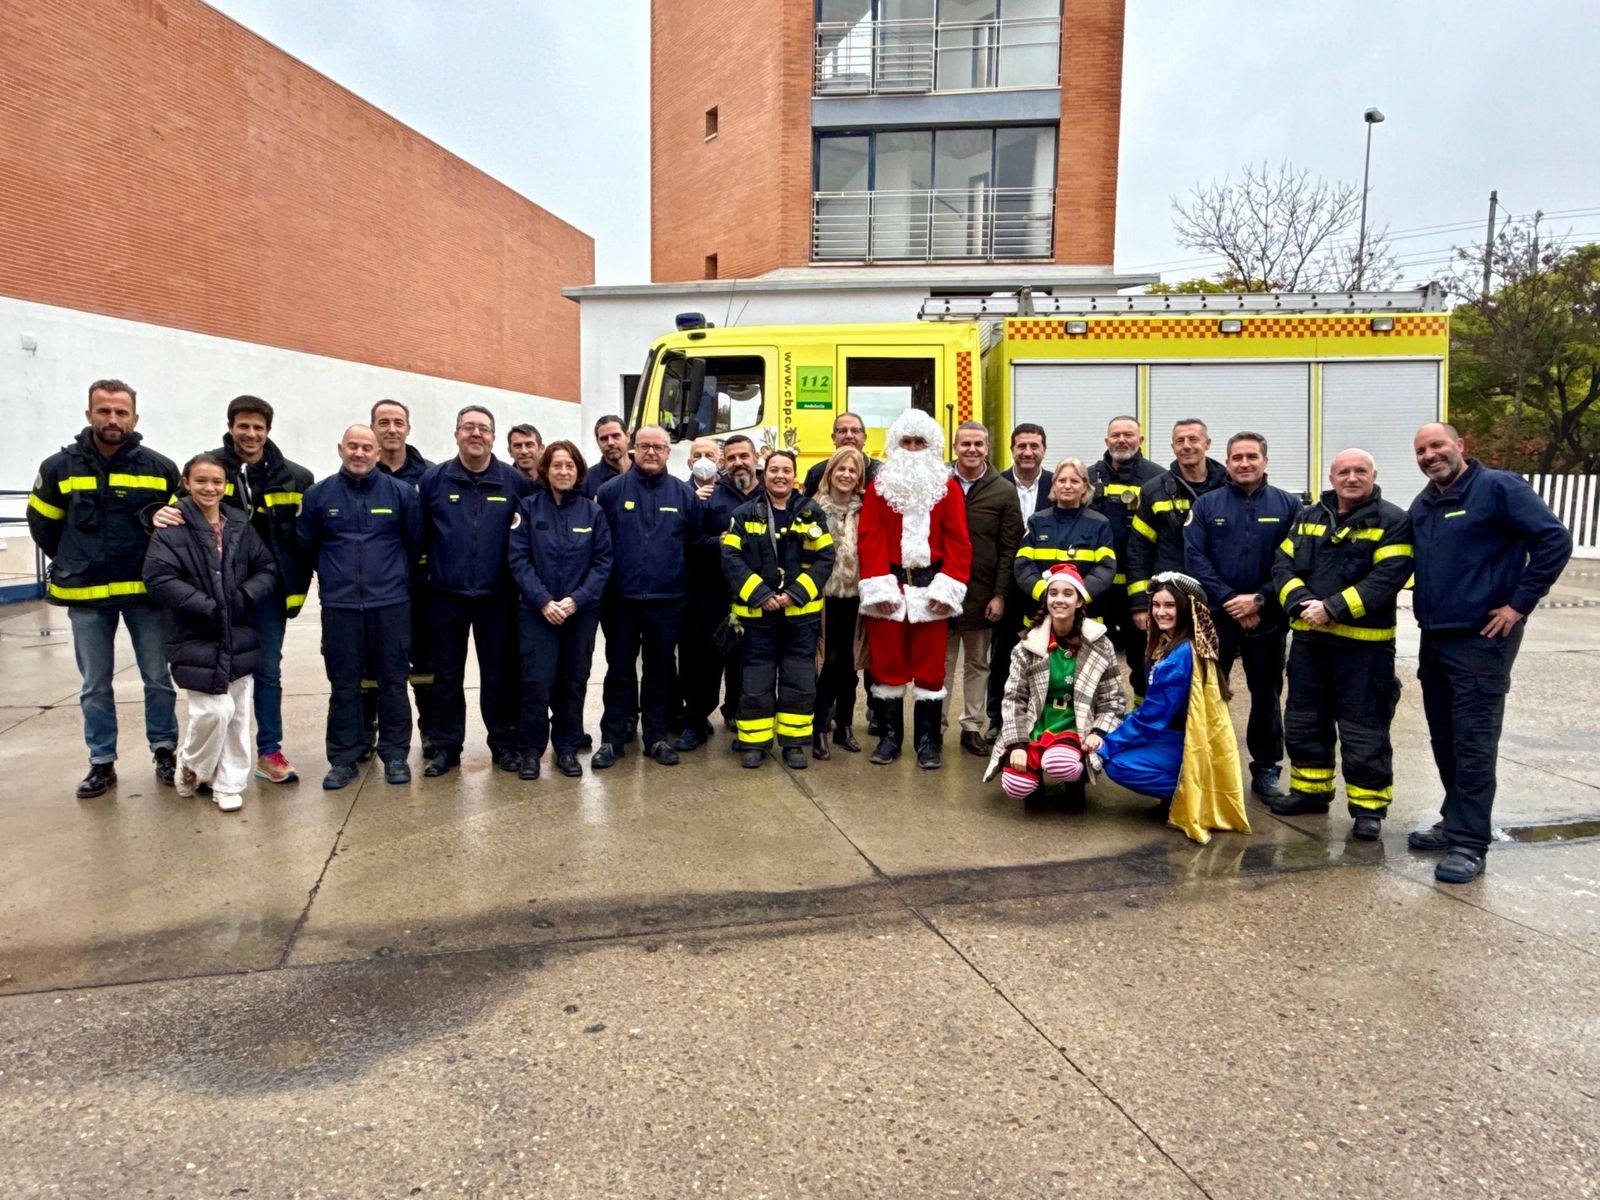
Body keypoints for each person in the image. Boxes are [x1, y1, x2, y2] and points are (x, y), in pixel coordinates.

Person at [1406, 422, 1572, 883]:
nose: (1430, 455)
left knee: (1474, 739)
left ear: (1460, 445)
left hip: (1483, 639)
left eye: (1437, 445)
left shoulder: (1499, 487)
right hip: (1436, 636)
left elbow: (1554, 540)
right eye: (1421, 450)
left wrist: (1520, 603)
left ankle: (1470, 843)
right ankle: (1454, 819)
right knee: (1444, 735)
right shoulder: (1425, 503)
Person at [28, 379, 181, 799]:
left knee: (157, 678)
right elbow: (43, 525)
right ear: (89, 414)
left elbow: (176, 529)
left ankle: (165, 751)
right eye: (104, 411)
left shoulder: (160, 468)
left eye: (121, 412)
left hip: (144, 593)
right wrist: (74, 559)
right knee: (95, 684)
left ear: (134, 417)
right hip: (87, 594)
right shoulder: (58, 468)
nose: (112, 419)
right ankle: (101, 762)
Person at [151, 394, 314, 785]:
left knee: (268, 673)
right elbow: (174, 518)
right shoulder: (208, 469)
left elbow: (306, 538)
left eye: (258, 427)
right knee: (218, 678)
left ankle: (269, 751)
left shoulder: (295, 477)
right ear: (230, 427)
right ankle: (214, 759)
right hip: (213, 599)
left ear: (268, 431)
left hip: (266, 595)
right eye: (243, 425)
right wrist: (152, 514)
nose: (251, 434)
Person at [1271, 449, 1414, 839]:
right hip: (1310, 645)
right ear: (1331, 477)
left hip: (1364, 652)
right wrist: (1302, 604)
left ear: (1373, 475)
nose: (1352, 478)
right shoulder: (1309, 517)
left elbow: (1388, 577)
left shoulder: (1394, 521)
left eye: (1360, 471)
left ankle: (1368, 808)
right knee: (1304, 722)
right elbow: (1282, 565)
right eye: (1344, 472)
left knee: (1363, 731)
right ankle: (1310, 792)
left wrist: (1332, 609)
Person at [142, 453, 278, 812]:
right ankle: (192, 763)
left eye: (217, 481)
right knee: (212, 711)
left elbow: (265, 566)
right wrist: (205, 605)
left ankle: (229, 783)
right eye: (201, 480)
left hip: (238, 629)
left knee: (236, 715)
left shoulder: (238, 523)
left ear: (226, 485)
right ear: (187, 482)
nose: (209, 488)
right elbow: (158, 578)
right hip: (195, 632)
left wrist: (243, 596)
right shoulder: (172, 526)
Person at [297, 425, 423, 790]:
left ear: (378, 454)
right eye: (353, 446)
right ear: (340, 449)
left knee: (394, 683)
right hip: (341, 607)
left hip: (391, 605)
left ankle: (396, 754)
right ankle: (343, 758)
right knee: (344, 685)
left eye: (367, 447)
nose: (359, 453)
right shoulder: (319, 495)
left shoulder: (400, 494)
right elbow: (307, 544)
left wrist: (390, 579)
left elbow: (414, 543)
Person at [1183, 432, 1301, 800]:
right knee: (1208, 693)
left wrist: (1260, 599)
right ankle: (1207, 765)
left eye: (1252, 456)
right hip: (1217, 615)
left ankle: (1266, 768)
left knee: (1266, 694)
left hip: (1267, 618)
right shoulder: (1206, 505)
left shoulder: (1289, 506)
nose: (1244, 463)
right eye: (1237, 457)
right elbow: (1194, 558)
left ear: (1265, 461)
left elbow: (1294, 561)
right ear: (1228, 462)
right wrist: (1231, 599)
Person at [415, 406, 531, 777]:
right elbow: (420, 537)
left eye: (483, 428)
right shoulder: (433, 481)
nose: (476, 434)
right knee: (446, 676)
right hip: (445, 596)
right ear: (456, 434)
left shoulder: (514, 482)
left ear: (494, 438)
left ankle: (503, 744)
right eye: (469, 427)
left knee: (499, 675)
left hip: (497, 597)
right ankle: (447, 746)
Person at [856, 409, 972, 769]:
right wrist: (879, 589)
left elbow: (959, 541)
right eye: (905, 442)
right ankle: (890, 738)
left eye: (919, 442)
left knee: (930, 671)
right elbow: (869, 537)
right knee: (887, 668)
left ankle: (928, 742)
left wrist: (947, 588)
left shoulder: (948, 488)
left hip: (932, 591)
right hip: (889, 589)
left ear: (931, 446)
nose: (911, 448)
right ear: (896, 445)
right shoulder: (880, 487)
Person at [1099, 573, 1250, 845]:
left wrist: (1106, 745)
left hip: (1182, 739)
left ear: (1185, 608)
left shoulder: (1180, 655)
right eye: (1156, 605)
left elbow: (1152, 718)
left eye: (1169, 605)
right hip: (1178, 734)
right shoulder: (1175, 644)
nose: (1160, 612)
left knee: (1117, 764)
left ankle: (1195, 794)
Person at [592, 424, 703, 768]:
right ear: (632, 449)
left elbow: (694, 545)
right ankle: (612, 739)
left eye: (659, 447)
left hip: (667, 602)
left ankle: (656, 738)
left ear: (669, 452)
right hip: (620, 602)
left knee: (658, 673)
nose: (651, 452)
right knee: (620, 671)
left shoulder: (683, 496)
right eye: (644, 446)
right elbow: (600, 547)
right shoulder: (610, 492)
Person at [723, 450, 834, 769]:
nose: (780, 475)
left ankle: (794, 744)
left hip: (800, 618)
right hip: (758, 616)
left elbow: (825, 558)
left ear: (794, 476)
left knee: (799, 681)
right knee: (755, 680)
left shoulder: (812, 513)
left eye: (786, 470)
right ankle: (754, 743)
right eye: (774, 470)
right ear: (764, 473)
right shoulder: (744, 514)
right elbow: (731, 559)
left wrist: (795, 594)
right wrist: (760, 594)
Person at [983, 564, 1126, 812]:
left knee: (1061, 763)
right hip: (1036, 723)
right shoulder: (1027, 646)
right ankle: (1034, 780)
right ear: (1046, 599)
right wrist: (1017, 745)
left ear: (1080, 601)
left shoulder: (1099, 644)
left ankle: (1075, 784)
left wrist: (1099, 733)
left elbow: (1113, 700)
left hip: (1075, 723)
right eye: (1054, 593)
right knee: (1015, 784)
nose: (1059, 599)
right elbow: (1013, 699)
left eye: (1068, 594)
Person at [508, 441, 612, 779]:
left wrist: (576, 600)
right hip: (538, 613)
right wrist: (543, 601)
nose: (563, 472)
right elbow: (518, 560)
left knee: (573, 681)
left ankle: (566, 748)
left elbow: (603, 562)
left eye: (570, 466)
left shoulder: (592, 512)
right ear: (546, 471)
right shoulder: (527, 507)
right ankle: (531, 751)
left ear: (579, 471)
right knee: (535, 682)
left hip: (579, 613)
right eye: (557, 466)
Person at [673, 433, 760, 750]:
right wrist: (718, 542)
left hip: (754, 595)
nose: (739, 462)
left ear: (755, 459)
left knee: (746, 662)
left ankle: (738, 716)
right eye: (732, 457)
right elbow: (691, 543)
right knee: (705, 663)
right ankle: (696, 722)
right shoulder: (709, 497)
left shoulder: (769, 494)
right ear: (724, 463)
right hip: (712, 594)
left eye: (744, 456)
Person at [945, 422, 1024, 757]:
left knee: (978, 663)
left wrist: (1000, 594)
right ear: (954, 447)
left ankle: (972, 727)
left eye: (978, 444)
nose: (972, 450)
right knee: (941, 663)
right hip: (942, 591)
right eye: (966, 444)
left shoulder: (1003, 490)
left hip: (982, 593)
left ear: (988, 448)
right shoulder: (940, 482)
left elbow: (1010, 548)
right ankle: (933, 725)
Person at [371, 398, 438, 755]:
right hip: (375, 588)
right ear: (373, 429)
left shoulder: (428, 476)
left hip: (420, 586)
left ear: (408, 429)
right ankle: (368, 730)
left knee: (425, 663)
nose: (391, 429)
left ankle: (430, 730)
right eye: (383, 422)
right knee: (371, 666)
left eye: (398, 422)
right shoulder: (360, 473)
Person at [1088, 415, 1164, 697]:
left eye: (1128, 435)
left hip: (1139, 588)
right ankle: (1097, 716)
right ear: (1107, 440)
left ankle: (1144, 713)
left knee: (1144, 657)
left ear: (1140, 440)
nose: (1122, 440)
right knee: (1092, 658)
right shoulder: (1088, 476)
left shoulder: (1157, 479)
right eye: (1116, 435)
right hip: (1097, 589)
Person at [1126, 418, 1228, 628]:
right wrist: (1139, 603)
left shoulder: (1228, 487)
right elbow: (1139, 549)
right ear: (1173, 447)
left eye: (1193, 439)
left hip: (1221, 596)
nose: (1187, 446)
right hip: (1172, 597)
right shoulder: (1154, 490)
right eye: (1180, 441)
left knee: (1215, 659)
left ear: (1207, 443)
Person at [986, 423, 1051, 741]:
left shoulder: (1057, 484)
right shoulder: (995, 484)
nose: (1028, 452)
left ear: (1043, 450)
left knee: (1046, 656)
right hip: (1007, 587)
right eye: (1021, 446)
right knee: (1002, 657)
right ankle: (997, 720)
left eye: (1034, 446)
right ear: (1011, 449)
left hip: (1046, 589)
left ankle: (1043, 719)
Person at [812, 446, 867, 759]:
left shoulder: (865, 509)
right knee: (826, 662)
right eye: (840, 469)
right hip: (823, 598)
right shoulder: (813, 508)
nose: (846, 475)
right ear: (830, 473)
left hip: (857, 598)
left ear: (858, 477)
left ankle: (845, 725)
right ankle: (820, 725)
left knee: (850, 663)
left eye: (852, 471)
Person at [1014, 458, 1117, 620]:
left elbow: (1105, 569)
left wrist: (1077, 594)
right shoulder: (1037, 521)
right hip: (1040, 615)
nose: (1067, 486)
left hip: (1084, 615)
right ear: (1054, 485)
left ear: (1084, 487)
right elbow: (1023, 566)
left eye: (1074, 481)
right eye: (1061, 480)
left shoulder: (1099, 524)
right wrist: (1046, 593)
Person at [802, 412, 880, 497]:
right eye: (842, 431)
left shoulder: (880, 472)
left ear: (864, 438)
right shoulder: (817, 472)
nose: (849, 436)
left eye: (855, 431)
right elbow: (806, 508)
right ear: (833, 438)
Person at [583, 414, 631, 498]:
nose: (610, 443)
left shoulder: (646, 472)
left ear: (628, 436)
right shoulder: (586, 481)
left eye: (616, 436)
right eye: (604, 438)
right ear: (598, 442)